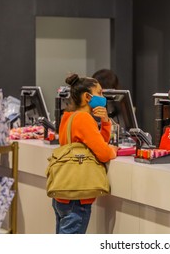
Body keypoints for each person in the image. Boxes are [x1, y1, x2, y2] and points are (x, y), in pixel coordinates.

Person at [52, 73, 118, 234]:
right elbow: (103, 153)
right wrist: (113, 151)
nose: (103, 97)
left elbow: (94, 143)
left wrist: (105, 122)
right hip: (77, 198)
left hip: (63, 195)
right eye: (100, 93)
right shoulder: (84, 119)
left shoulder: (68, 116)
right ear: (88, 97)